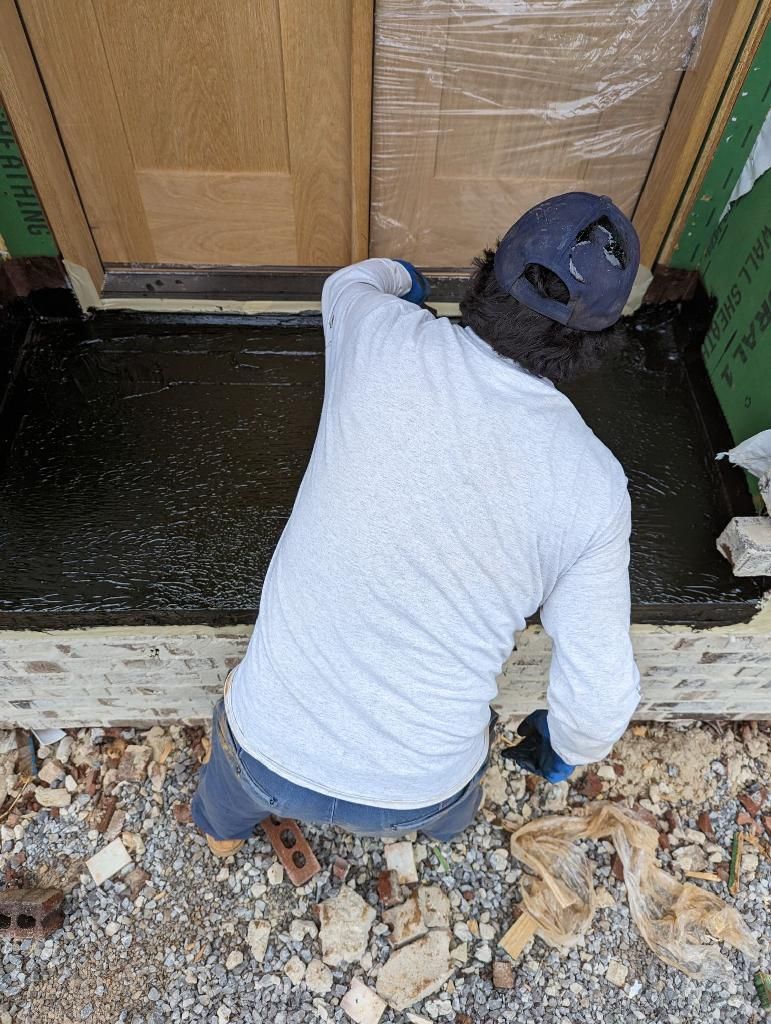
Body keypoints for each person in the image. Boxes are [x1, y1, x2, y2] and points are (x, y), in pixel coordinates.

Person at [191, 192, 642, 856]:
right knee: (452, 800)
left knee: (229, 780)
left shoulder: (377, 332)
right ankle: (437, 836)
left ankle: (220, 839)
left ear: (486, 274)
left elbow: (356, 280)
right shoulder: (594, 486)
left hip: (266, 755)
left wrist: (409, 284)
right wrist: (561, 750)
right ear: (595, 344)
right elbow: (601, 697)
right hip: (418, 792)